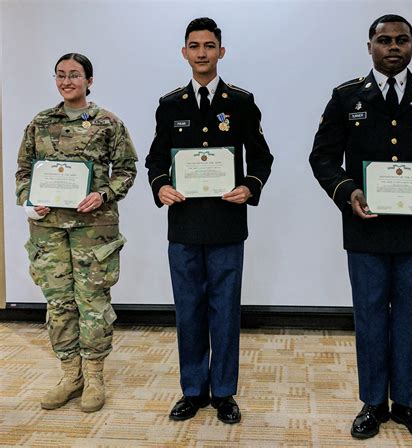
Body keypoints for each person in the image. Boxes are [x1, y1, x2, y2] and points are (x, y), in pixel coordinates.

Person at [309, 14, 412, 442]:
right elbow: (322, 157)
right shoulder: (347, 97)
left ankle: (408, 403)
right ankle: (372, 404)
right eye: (384, 40)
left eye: (402, 40)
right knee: (370, 317)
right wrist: (348, 192)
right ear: (370, 47)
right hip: (367, 230)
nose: (393, 47)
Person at [146, 17, 273, 424]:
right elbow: (155, 159)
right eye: (195, 46)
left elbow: (261, 156)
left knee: (224, 310)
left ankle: (223, 392)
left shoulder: (240, 101)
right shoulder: (170, 105)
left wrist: (250, 187)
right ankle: (192, 390)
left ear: (222, 51)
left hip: (225, 223)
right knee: (189, 310)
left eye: (209, 45)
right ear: (184, 52)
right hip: (183, 223)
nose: (202, 53)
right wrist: (161, 185)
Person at [15, 53, 138, 413]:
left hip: (93, 230)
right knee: (59, 304)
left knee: (93, 304)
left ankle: (95, 377)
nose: (67, 81)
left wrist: (103, 194)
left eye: (75, 75)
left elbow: (127, 169)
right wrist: (28, 201)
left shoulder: (107, 123)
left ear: (89, 80)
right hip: (48, 229)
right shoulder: (39, 122)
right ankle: (70, 375)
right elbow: (24, 171)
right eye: (61, 75)